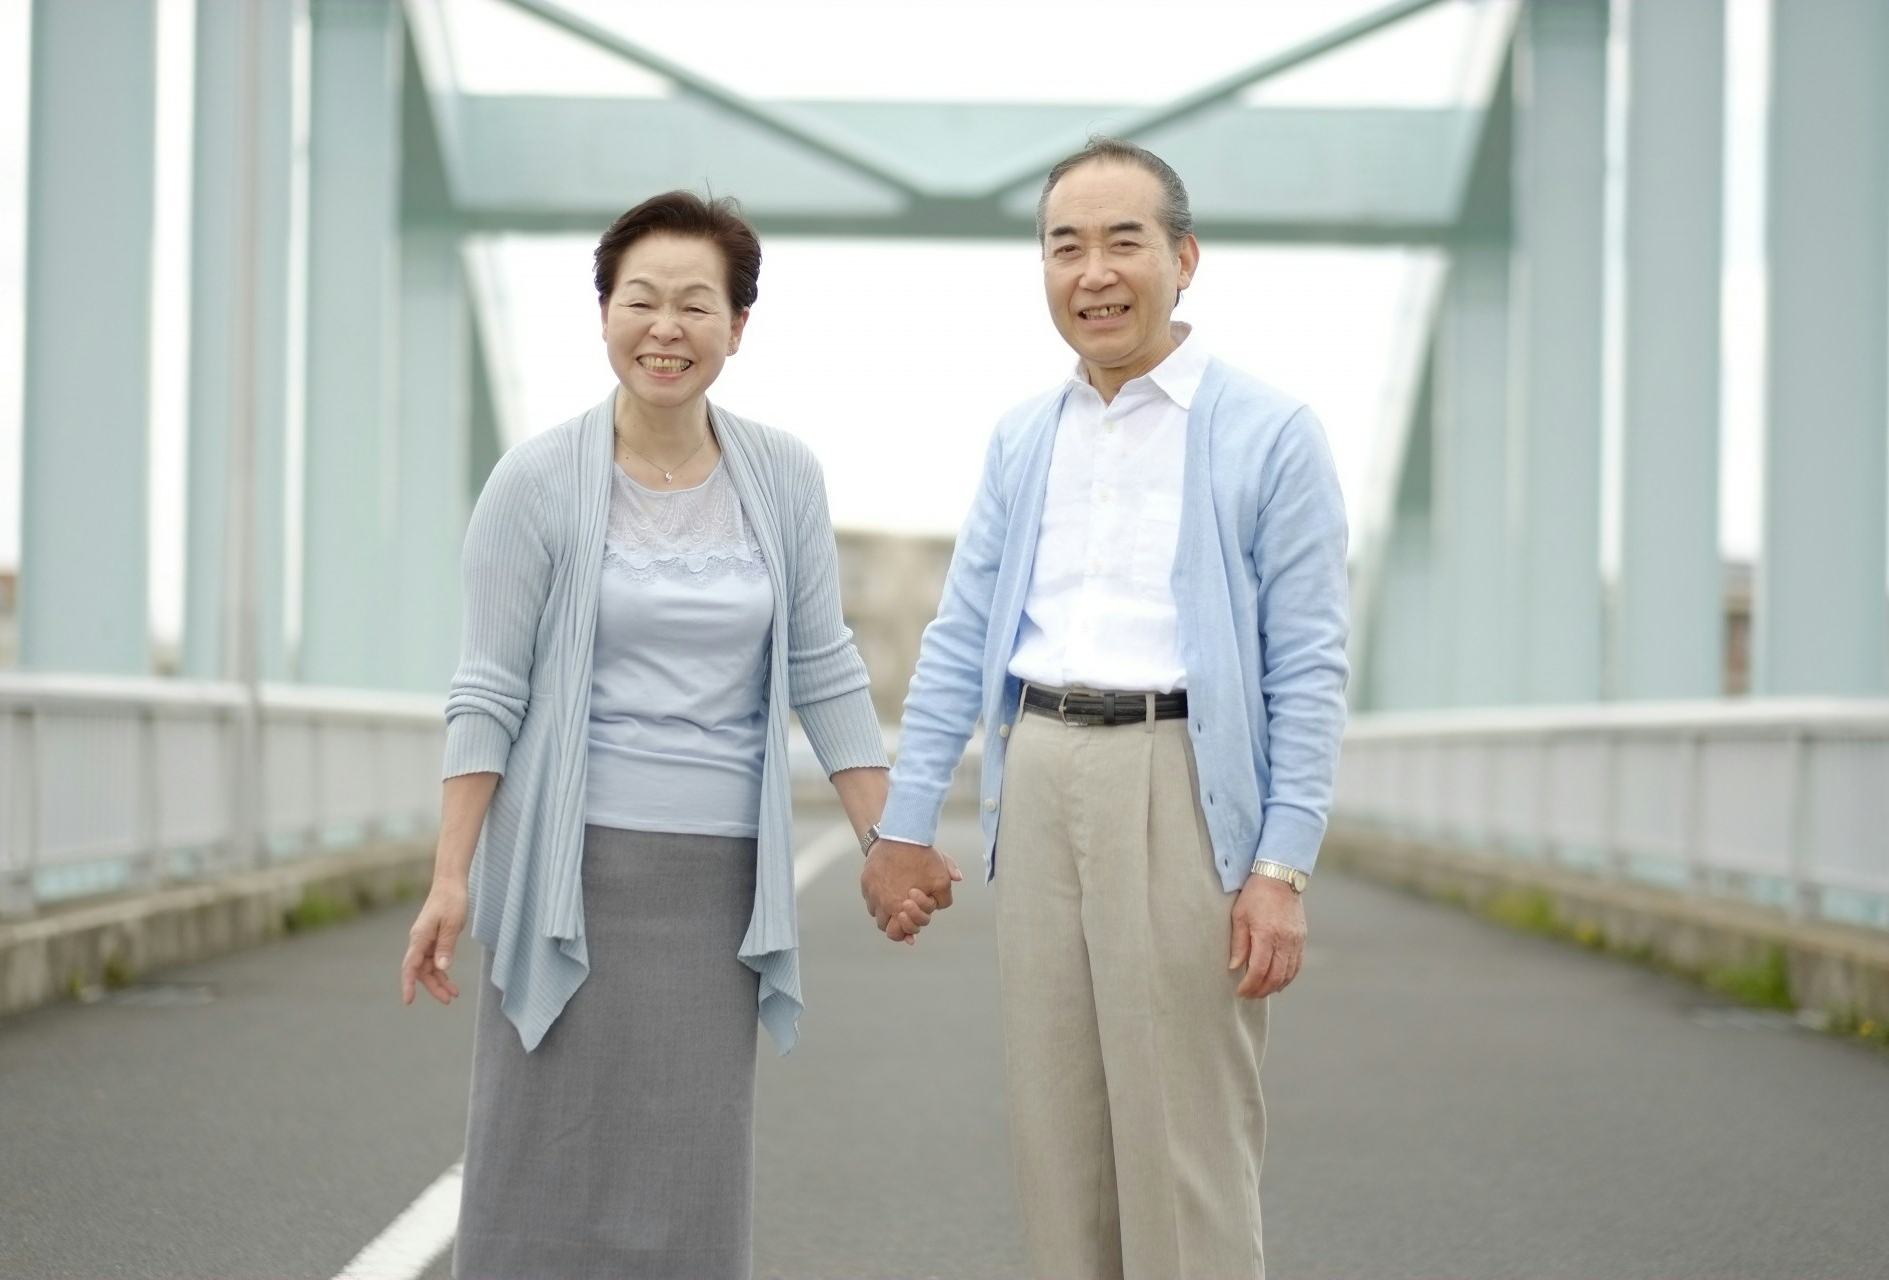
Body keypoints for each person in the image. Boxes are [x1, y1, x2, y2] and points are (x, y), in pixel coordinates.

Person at [860, 138, 1350, 1280]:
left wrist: (1283, 865)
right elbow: (959, 633)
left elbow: (1312, 663)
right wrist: (904, 818)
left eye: (1123, 240)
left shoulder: (1270, 432)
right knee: (1057, 1129)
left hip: (1176, 776)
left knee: (1183, 1139)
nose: (1093, 270)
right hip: (1036, 774)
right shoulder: (1025, 435)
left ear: (1184, 258)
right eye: (1063, 245)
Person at [399, 190, 895, 1280]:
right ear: (605, 313)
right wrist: (450, 876)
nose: (664, 327)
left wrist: (887, 840)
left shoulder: (784, 476)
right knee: (540, 1153)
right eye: (640, 300)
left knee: (689, 1163)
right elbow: (489, 685)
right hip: (564, 868)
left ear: (737, 326)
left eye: (694, 304)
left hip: (717, 880)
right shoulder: (534, 479)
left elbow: (824, 665)